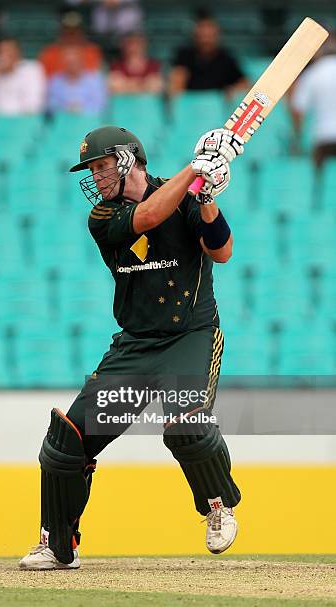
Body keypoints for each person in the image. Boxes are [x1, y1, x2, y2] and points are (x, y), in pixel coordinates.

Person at [19, 124, 245, 570]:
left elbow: (222, 252)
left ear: (128, 159)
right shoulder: (102, 217)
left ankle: (218, 505)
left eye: (102, 166)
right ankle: (58, 545)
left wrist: (205, 196)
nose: (96, 177)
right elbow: (145, 218)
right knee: (67, 443)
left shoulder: (184, 195)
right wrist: (194, 169)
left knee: (185, 424)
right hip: (135, 346)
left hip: (190, 337)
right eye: (93, 170)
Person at [169, 15, 247, 95]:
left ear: (217, 36)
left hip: (219, 104)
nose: (206, 41)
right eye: (202, 36)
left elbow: (244, 83)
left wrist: (234, 89)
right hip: (190, 102)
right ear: (195, 36)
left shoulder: (227, 57)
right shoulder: (184, 55)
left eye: (210, 36)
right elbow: (176, 83)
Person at [290, 35, 336, 168]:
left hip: (322, 136)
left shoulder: (313, 72)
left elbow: (298, 109)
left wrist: (298, 140)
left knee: (319, 182)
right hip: (323, 135)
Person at [39, 12, 103, 79]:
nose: (71, 34)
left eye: (75, 30)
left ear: (81, 32)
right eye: (68, 30)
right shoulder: (49, 53)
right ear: (61, 32)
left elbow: (94, 78)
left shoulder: (92, 52)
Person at [47, 45, 108, 115]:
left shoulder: (94, 79)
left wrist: (81, 108)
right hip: (64, 120)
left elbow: (100, 104)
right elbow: (51, 104)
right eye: (68, 63)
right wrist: (66, 108)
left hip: (89, 120)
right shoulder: (56, 80)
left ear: (81, 61)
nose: (71, 65)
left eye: (74, 62)